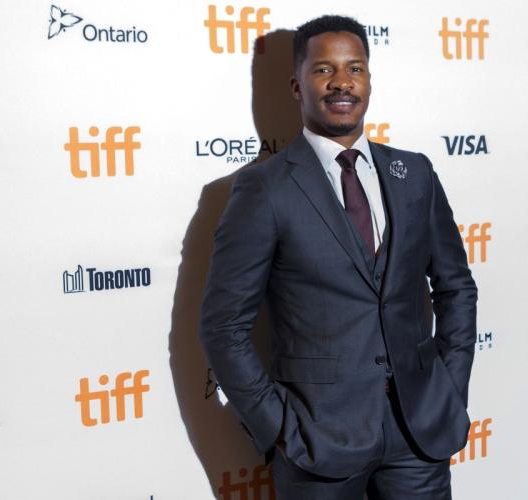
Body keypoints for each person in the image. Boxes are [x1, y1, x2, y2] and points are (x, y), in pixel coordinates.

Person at [199, 14, 477, 500]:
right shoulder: (263, 189)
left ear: (369, 79)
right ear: (296, 84)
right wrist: (279, 426)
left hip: (419, 437)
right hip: (317, 444)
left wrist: (447, 390)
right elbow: (223, 325)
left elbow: (456, 288)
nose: (342, 82)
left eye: (355, 68)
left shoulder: (415, 173)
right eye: (323, 70)